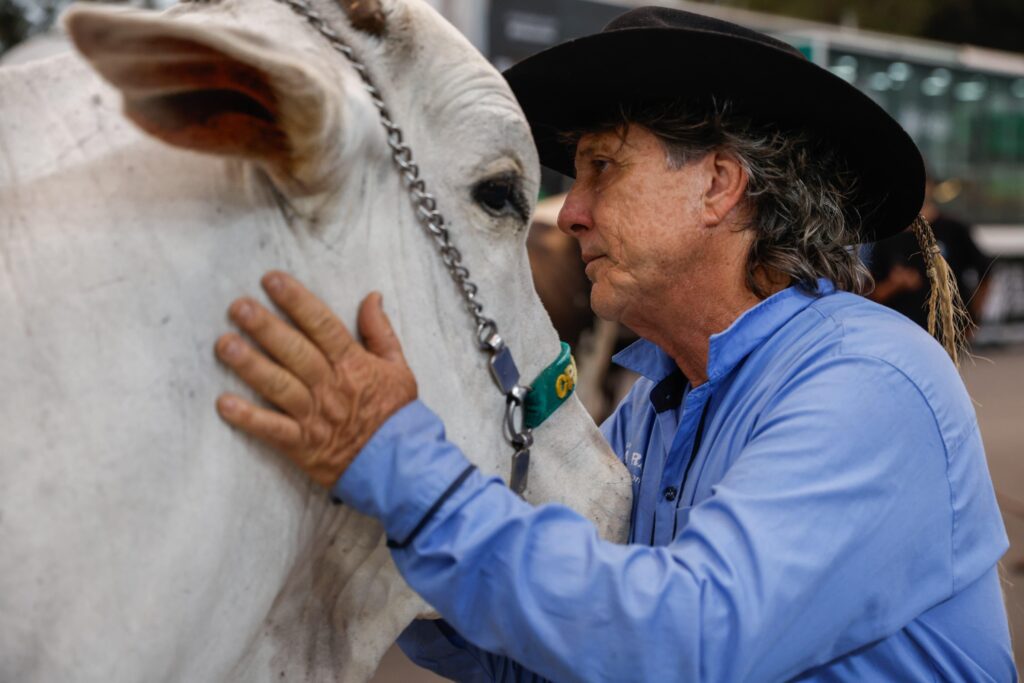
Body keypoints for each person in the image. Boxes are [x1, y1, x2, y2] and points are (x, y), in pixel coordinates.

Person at [212, 7, 1016, 682]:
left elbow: (687, 639)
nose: (570, 213)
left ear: (719, 186)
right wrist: (390, 544)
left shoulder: (868, 378)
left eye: (602, 167)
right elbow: (574, 653)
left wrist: (404, 472)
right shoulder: (659, 403)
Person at [870, 175, 994, 329]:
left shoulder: (953, 229)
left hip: (946, 331)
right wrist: (895, 284)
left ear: (930, 187)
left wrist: (973, 319)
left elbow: (985, 272)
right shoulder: (886, 235)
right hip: (900, 329)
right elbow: (872, 293)